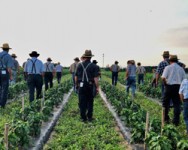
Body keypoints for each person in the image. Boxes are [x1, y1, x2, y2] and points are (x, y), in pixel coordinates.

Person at [75, 50, 99, 122]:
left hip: (81, 85)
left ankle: (83, 117)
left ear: (84, 57)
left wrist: (76, 84)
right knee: (90, 101)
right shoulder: (94, 66)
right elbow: (95, 78)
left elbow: (76, 76)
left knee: (82, 101)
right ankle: (89, 117)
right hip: (90, 85)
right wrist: (97, 87)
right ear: (90, 57)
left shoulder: (79, 65)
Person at [162, 55, 186, 126]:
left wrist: (166, 83)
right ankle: (176, 121)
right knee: (177, 104)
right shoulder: (181, 69)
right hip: (178, 87)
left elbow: (163, 78)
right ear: (177, 61)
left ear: (170, 61)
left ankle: (166, 118)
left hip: (169, 87)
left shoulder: (167, 67)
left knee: (166, 103)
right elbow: (184, 80)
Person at [0, 43, 13, 108]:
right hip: (4, 72)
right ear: (8, 49)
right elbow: (9, 68)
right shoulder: (8, 56)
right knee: (4, 89)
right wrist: (11, 76)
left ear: (2, 48)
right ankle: (2, 105)